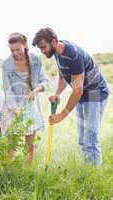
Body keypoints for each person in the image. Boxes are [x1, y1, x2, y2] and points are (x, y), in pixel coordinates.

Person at [32, 27, 110, 166]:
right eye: (40, 49)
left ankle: (92, 177)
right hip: (83, 92)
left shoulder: (72, 54)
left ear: (54, 41)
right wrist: (57, 93)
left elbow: (77, 91)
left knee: (90, 139)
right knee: (82, 139)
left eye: (43, 47)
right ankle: (87, 169)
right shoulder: (57, 52)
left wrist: (61, 116)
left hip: (94, 92)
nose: (42, 51)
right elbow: (63, 75)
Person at [0, 33, 48, 164]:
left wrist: (36, 90)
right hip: (12, 107)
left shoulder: (36, 60)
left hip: (30, 105)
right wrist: (16, 110)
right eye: (12, 50)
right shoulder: (6, 65)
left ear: (25, 46)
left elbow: (45, 81)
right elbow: (7, 90)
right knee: (12, 144)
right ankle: (10, 171)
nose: (15, 53)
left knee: (30, 145)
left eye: (18, 49)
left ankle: (28, 171)